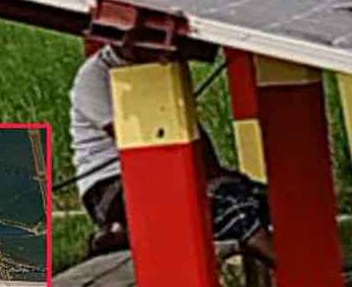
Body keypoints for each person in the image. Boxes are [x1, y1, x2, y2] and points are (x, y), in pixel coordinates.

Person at [68, 44, 274, 261]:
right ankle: (294, 272)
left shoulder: (162, 65)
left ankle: (124, 234)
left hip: (163, 172)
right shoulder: (95, 77)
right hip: (112, 185)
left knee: (257, 196)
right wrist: (201, 180)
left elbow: (189, 127)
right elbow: (145, 144)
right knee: (229, 203)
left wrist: (217, 174)